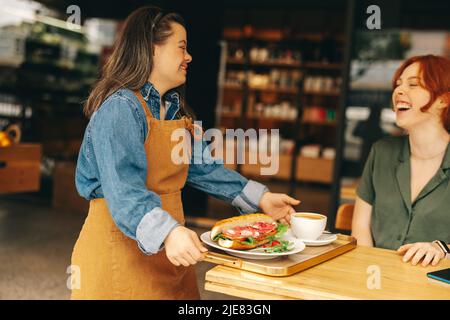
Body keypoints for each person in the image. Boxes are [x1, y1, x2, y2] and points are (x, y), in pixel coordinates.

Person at [71, 6, 299, 299]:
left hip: (169, 252)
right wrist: (169, 232)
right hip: (119, 256)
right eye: (182, 47)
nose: (189, 56)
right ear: (152, 50)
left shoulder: (175, 111)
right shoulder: (120, 109)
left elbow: (204, 169)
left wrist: (262, 198)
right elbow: (124, 190)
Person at [352, 55, 450, 267]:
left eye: (413, 84)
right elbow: (361, 229)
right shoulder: (381, 152)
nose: (399, 91)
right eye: (398, 84)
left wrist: (442, 249)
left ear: (443, 100)